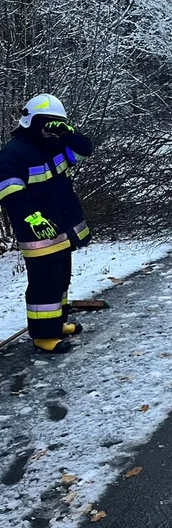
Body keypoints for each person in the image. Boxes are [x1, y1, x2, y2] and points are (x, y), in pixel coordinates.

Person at [0, 94, 94, 353]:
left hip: (62, 228)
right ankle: (43, 335)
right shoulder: (12, 154)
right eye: (47, 124)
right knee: (45, 283)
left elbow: (85, 149)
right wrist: (33, 217)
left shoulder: (54, 146)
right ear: (32, 122)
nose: (50, 130)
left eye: (56, 124)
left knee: (61, 278)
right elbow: (10, 193)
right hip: (37, 232)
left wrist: (68, 133)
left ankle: (57, 323)